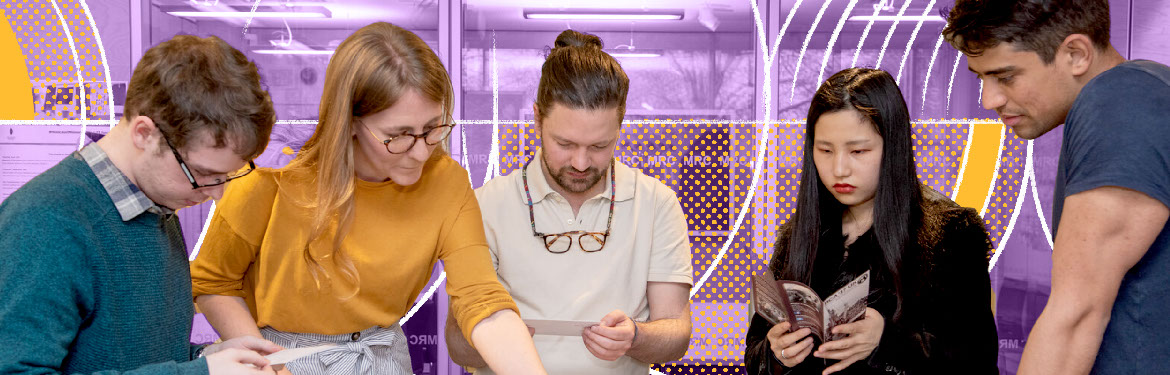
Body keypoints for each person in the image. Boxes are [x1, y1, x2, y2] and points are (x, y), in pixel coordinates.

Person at [189, 22, 546, 375]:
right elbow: (213, 283)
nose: (421, 153)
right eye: (399, 135)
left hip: (380, 357)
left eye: (433, 128)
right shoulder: (271, 177)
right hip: (278, 358)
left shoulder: (447, 183)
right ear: (351, 122)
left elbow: (481, 297)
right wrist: (262, 362)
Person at [0, 35, 281, 374]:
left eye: (226, 176)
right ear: (145, 133)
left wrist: (208, 356)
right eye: (203, 173)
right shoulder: (46, 223)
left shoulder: (156, 205)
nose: (215, 193)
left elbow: (129, 358)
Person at [443, 29, 695, 375]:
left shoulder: (656, 203)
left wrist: (635, 337)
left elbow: (677, 333)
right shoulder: (485, 205)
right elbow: (457, 345)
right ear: (536, 118)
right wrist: (495, 338)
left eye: (598, 146)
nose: (580, 162)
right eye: (564, 143)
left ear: (620, 126)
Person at [943, 1, 1170, 373]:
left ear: (1076, 54)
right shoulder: (1138, 96)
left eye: (1006, 76)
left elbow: (1076, 316)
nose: (989, 100)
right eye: (980, 78)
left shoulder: (1122, 101)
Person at [743, 68, 998, 374]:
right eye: (825, 150)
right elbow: (757, 348)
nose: (839, 169)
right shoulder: (802, 233)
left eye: (858, 151)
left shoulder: (951, 234)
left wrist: (888, 342)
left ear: (893, 147)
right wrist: (776, 355)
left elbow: (977, 362)